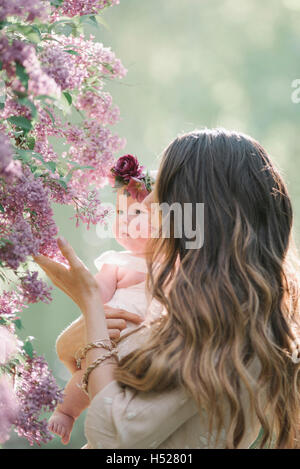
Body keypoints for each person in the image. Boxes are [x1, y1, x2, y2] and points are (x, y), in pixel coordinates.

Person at [34, 128, 300, 449]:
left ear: (199, 210)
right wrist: (77, 337)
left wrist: (90, 302)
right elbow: (79, 363)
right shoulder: (183, 300)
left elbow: (118, 437)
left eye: (161, 189)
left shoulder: (223, 325)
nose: (146, 200)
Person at [48, 158, 161, 444]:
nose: (124, 221)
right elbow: (93, 297)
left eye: (137, 212)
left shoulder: (171, 264)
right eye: (120, 212)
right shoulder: (117, 264)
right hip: (110, 344)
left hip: (148, 353)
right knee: (82, 382)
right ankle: (66, 413)